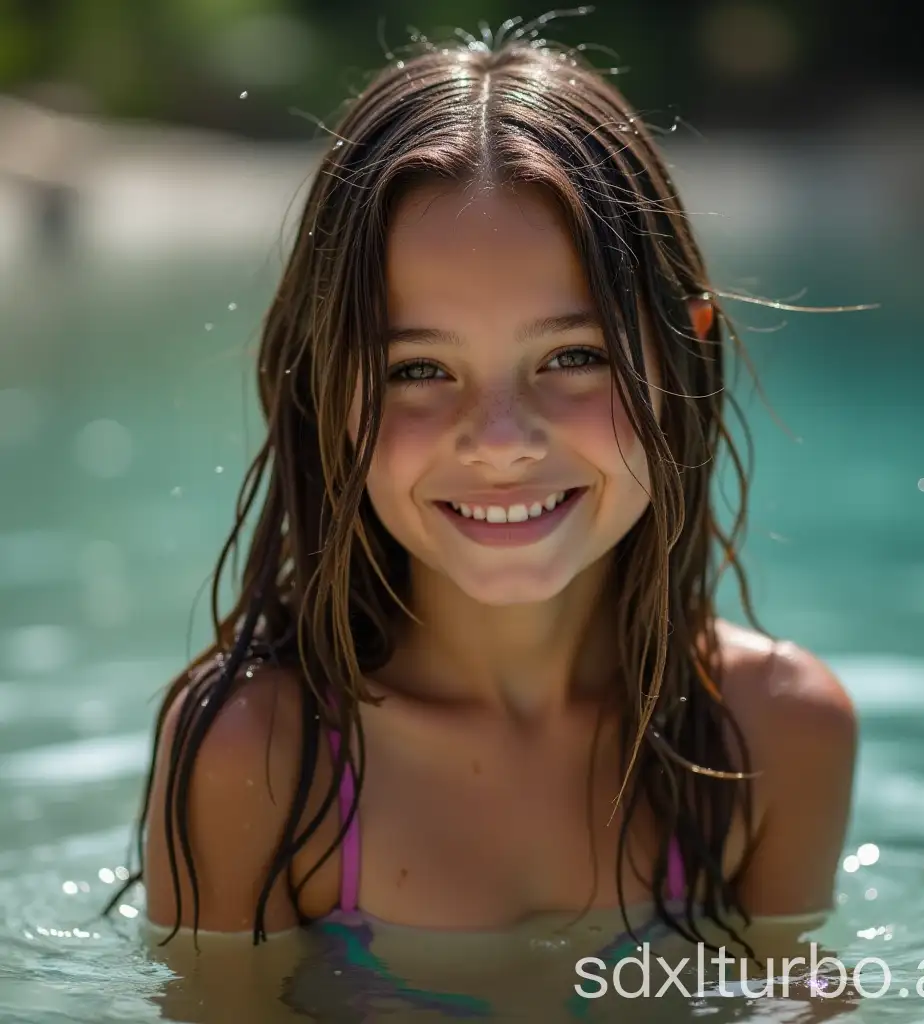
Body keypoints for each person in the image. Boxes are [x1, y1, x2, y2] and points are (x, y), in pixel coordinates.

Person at [114, 26, 857, 964]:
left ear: (685, 355)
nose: (501, 441)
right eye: (419, 368)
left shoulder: (778, 734)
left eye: (574, 357)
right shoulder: (254, 756)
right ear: (322, 390)